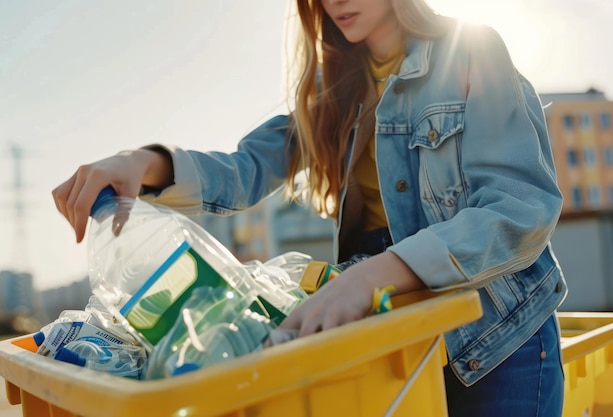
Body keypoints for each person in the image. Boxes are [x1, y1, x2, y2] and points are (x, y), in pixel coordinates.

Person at [52, 0, 567, 415]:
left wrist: (372, 277)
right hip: (395, 335)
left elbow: (519, 206)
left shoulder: (472, 48)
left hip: (500, 333)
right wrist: (141, 162)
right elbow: (244, 169)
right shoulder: (333, 89)